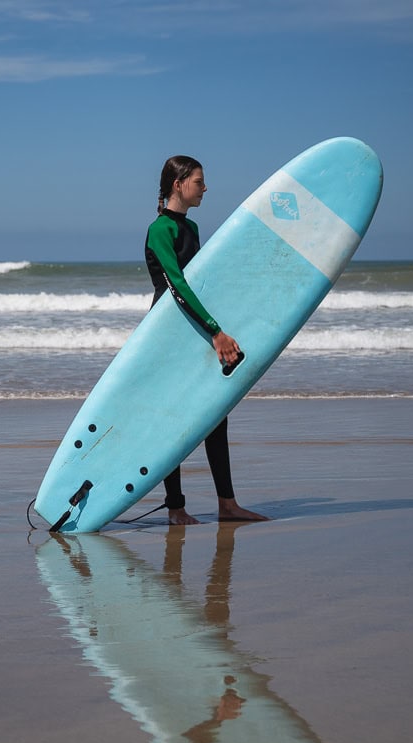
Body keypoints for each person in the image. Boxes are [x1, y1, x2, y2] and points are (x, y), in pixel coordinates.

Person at [145, 155, 269, 525]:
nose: (205, 188)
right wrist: (215, 332)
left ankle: (227, 504)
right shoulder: (159, 230)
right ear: (178, 184)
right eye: (199, 181)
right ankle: (176, 508)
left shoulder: (192, 228)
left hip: (195, 328)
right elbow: (176, 286)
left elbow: (202, 282)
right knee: (172, 419)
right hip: (169, 334)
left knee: (217, 415)